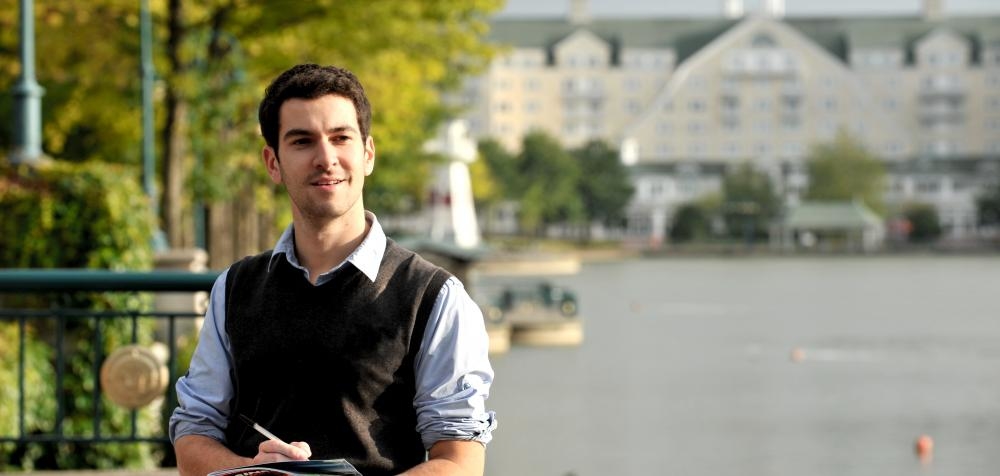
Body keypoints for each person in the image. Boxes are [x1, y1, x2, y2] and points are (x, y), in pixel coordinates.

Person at [169, 64, 496, 476]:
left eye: (341, 138)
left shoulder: (435, 297)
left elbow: (460, 461)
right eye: (302, 141)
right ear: (273, 162)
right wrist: (250, 471)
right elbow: (193, 436)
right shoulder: (234, 288)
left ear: (368, 153)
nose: (326, 158)